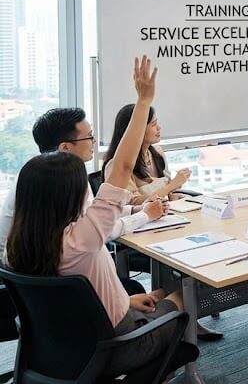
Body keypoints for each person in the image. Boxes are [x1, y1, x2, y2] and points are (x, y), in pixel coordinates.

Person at [6, 56, 190, 375]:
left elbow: (65, 296)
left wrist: (124, 302)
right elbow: (120, 167)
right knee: (186, 296)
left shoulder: (16, 247)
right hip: (116, 347)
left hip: (62, 348)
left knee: (148, 296)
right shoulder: (83, 239)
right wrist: (144, 99)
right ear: (68, 196)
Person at [0, 107, 159, 271]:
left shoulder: (35, 173)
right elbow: (101, 229)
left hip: (28, 281)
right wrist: (145, 215)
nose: (94, 142)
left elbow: (90, 214)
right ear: (65, 148)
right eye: (89, 136)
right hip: (50, 275)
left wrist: (133, 210)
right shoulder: (58, 182)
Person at [102, 104, 191, 206]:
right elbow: (132, 203)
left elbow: (164, 191)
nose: (159, 127)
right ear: (136, 130)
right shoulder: (116, 165)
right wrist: (172, 185)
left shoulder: (157, 152)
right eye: (153, 124)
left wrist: (172, 194)